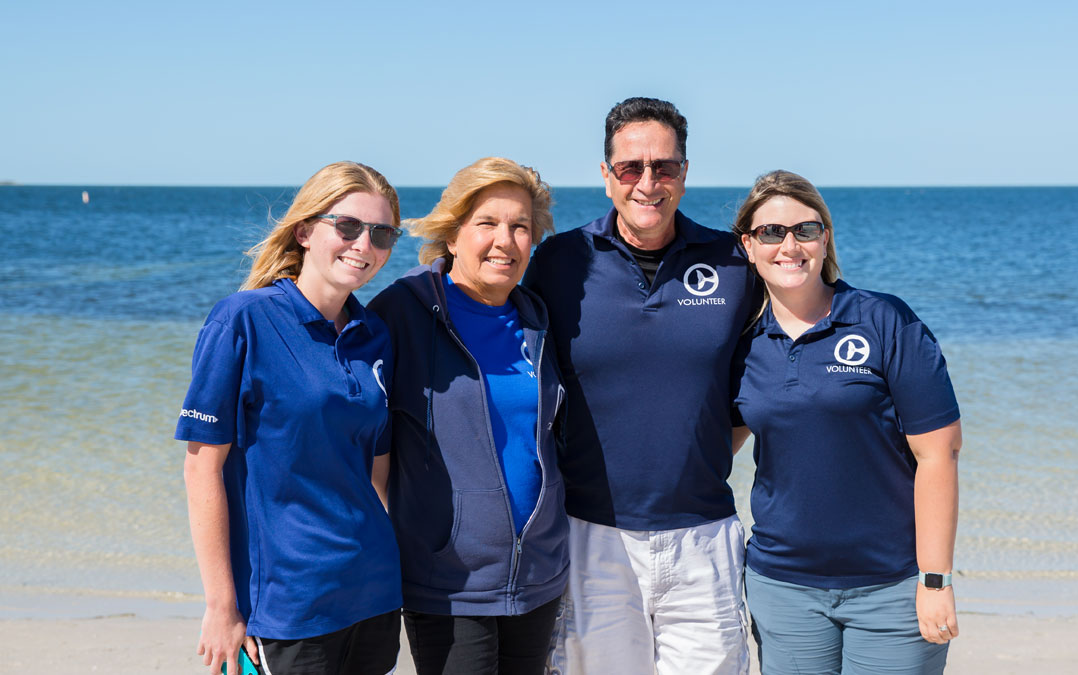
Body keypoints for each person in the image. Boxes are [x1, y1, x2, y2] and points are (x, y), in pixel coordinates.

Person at [524, 97, 757, 674]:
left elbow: (758, 387)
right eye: (631, 167)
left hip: (705, 536)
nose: (647, 182)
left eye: (665, 167)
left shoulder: (735, 262)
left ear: (684, 174)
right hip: (590, 536)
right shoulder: (558, 261)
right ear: (606, 177)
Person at [177, 162, 406, 675]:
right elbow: (201, 469)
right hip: (288, 606)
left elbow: (377, 471)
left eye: (381, 233)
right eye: (346, 226)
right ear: (304, 231)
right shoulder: (242, 320)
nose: (363, 245)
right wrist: (221, 605)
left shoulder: (376, 335)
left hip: (374, 592)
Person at [731, 170, 962, 674]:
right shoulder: (740, 343)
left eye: (805, 230)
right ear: (748, 245)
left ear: (825, 237)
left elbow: (938, 455)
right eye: (771, 232)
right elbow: (709, 447)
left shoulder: (884, 321)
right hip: (782, 588)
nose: (789, 245)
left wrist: (935, 581)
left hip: (892, 588)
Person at [367, 157, 568, 675]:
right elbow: (359, 435)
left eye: (520, 226)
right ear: (452, 235)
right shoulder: (403, 312)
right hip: (448, 581)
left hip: (538, 576)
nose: (505, 239)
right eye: (487, 223)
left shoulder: (538, 319)